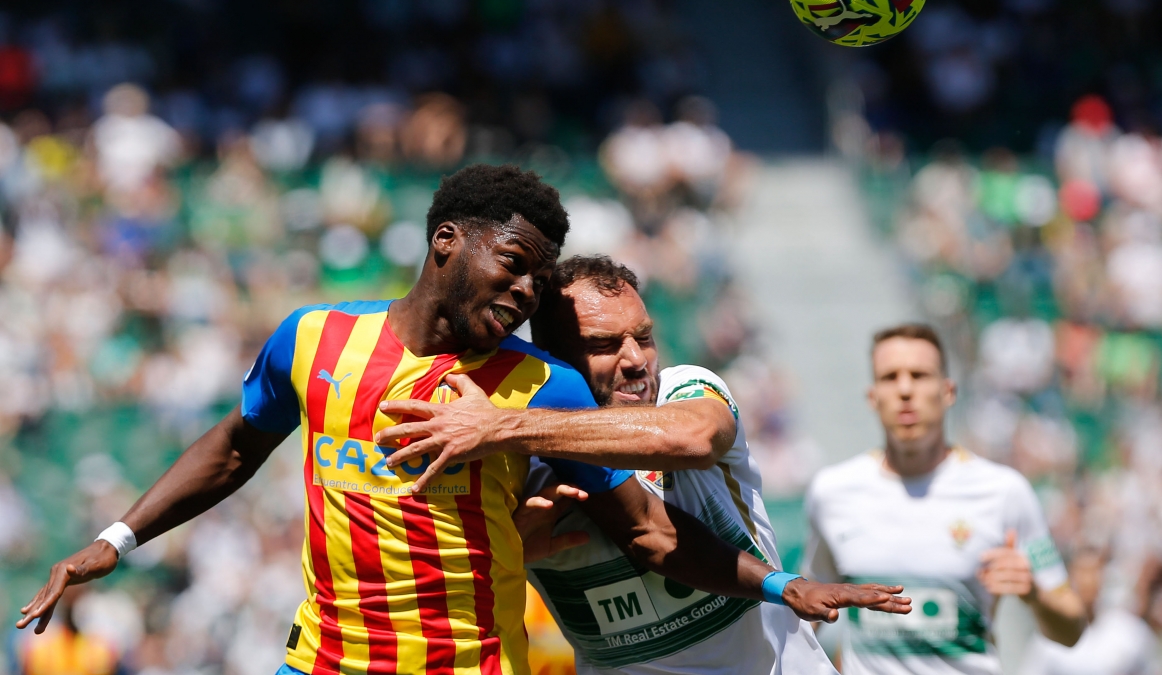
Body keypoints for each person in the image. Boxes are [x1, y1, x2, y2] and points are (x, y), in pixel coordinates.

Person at [16, 165, 890, 675]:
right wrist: (116, 539)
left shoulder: (542, 389)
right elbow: (238, 445)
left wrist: (781, 586)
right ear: (446, 242)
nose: (519, 292)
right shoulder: (313, 340)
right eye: (512, 265)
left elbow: (653, 537)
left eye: (535, 285)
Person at [375, 255, 912, 674]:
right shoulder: (518, 470)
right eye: (606, 344)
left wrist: (504, 427)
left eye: (645, 337)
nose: (637, 360)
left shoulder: (689, 391)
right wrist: (509, 549)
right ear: (556, 361)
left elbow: (696, 438)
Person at [803, 323, 1086, 675]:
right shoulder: (832, 493)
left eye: (919, 375)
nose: (905, 389)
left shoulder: (1004, 492)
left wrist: (1035, 594)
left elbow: (1072, 630)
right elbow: (808, 614)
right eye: (890, 377)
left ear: (948, 391)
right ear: (872, 397)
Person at [1020, 549, 1161, 675]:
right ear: (1070, 577)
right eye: (1082, 572)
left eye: (1094, 572)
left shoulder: (1130, 632)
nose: (1088, 581)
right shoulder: (1048, 640)